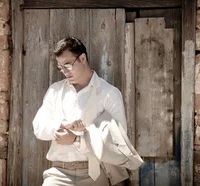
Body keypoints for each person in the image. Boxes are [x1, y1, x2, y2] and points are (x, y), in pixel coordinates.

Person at [33, 37, 132, 186]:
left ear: (83, 58)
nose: (64, 72)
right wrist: (61, 125)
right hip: (59, 173)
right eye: (60, 67)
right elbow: (38, 127)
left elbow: (118, 140)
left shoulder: (109, 93)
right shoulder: (55, 90)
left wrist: (77, 140)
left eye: (68, 65)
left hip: (95, 173)